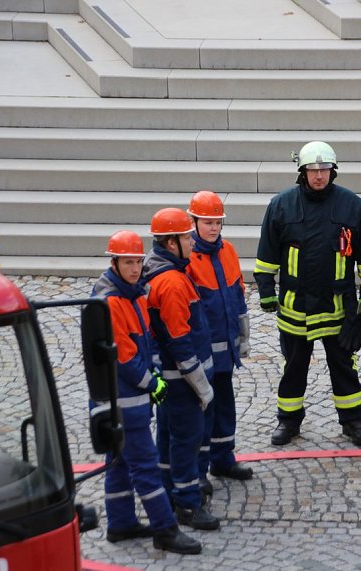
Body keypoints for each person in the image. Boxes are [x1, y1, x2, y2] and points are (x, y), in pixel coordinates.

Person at [254, 141, 361, 447]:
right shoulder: (281, 205)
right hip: (296, 307)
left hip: (338, 306)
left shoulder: (352, 205)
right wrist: (267, 289)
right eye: (313, 170)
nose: (319, 175)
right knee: (293, 367)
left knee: (344, 366)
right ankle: (288, 421)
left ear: (333, 172)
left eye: (324, 170)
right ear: (302, 172)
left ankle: (353, 421)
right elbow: (267, 252)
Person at [90, 230, 201, 554]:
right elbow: (124, 356)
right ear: (115, 262)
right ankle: (165, 529)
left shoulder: (134, 294)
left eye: (138, 261)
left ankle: (121, 523)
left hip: (125, 398)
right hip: (124, 400)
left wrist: (152, 372)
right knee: (145, 466)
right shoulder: (111, 302)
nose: (136, 268)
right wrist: (153, 383)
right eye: (128, 262)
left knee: (119, 462)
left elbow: (147, 342)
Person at [144, 208, 221, 531]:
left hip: (170, 380)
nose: (192, 241)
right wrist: (201, 385)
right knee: (186, 440)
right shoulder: (173, 283)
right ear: (171, 242)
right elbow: (180, 341)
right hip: (182, 381)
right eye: (187, 236)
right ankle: (187, 505)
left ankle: (169, 491)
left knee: (167, 438)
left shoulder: (162, 271)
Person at [185, 190, 254, 487]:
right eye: (207, 222)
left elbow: (237, 297)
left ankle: (224, 459)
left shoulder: (228, 251)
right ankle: (198, 471)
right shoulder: (188, 259)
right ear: (194, 222)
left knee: (225, 404)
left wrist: (243, 337)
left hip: (225, 352)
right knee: (203, 410)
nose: (213, 228)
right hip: (202, 354)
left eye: (217, 222)